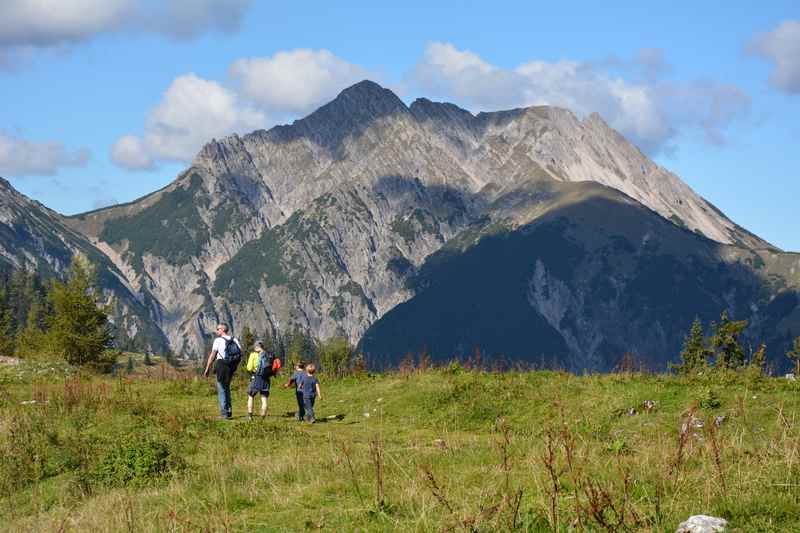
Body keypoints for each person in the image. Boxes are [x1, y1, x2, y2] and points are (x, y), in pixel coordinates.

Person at [203, 323, 242, 419]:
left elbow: (212, 355)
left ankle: (224, 413)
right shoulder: (234, 339)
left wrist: (207, 368)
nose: (216, 331)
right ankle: (229, 411)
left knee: (221, 388)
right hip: (231, 366)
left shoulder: (218, 340)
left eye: (218, 329)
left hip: (221, 365)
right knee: (227, 388)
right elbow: (240, 353)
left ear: (223, 329)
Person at [245, 341, 271, 420]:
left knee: (251, 396)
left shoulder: (253, 355)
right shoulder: (268, 354)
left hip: (256, 377)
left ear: (256, 347)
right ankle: (262, 418)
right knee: (264, 398)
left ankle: (250, 416)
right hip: (266, 378)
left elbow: (249, 368)